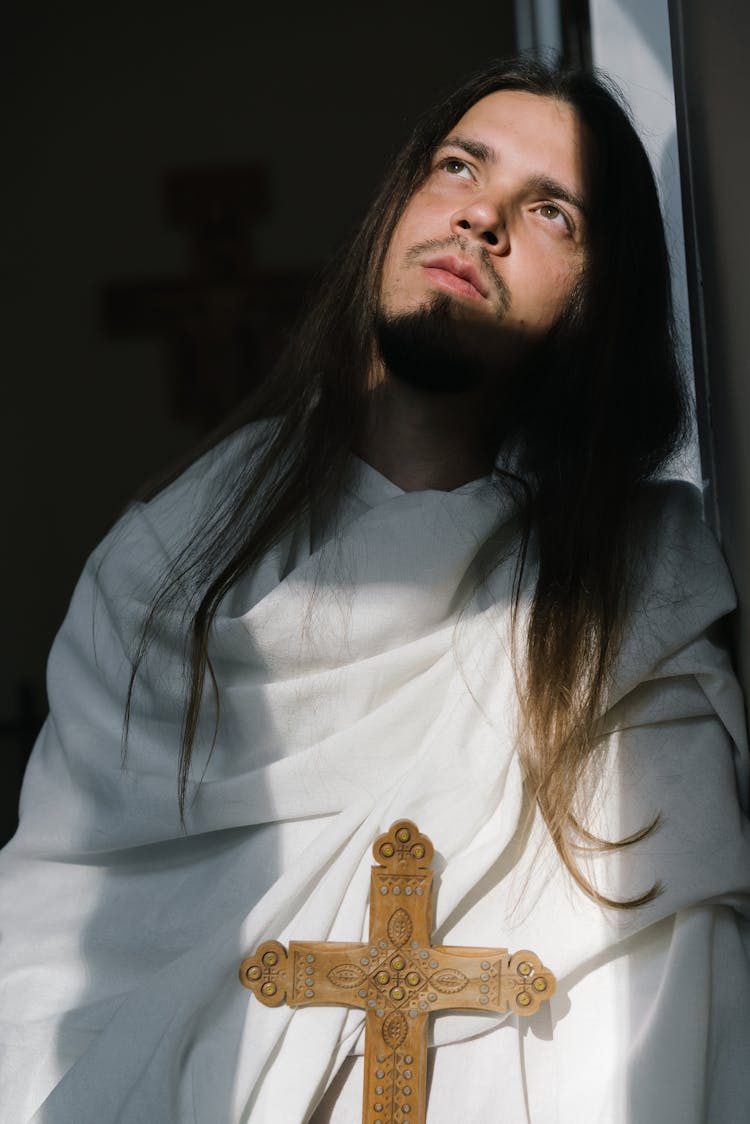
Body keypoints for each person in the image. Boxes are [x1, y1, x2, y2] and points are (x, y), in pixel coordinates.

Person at [1, 56, 748, 1124]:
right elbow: (49, 952)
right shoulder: (167, 562)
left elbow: (665, 1022)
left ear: (602, 303)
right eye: (458, 166)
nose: (482, 216)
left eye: (551, 212)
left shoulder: (635, 619)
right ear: (398, 202)